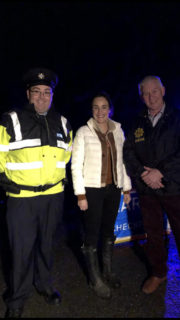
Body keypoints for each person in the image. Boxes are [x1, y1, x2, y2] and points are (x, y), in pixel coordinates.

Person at [0, 67, 72, 318]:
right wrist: (5, 182)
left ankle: (44, 285)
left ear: (52, 95)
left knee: (46, 245)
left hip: (53, 197)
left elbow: (67, 157)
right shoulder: (11, 119)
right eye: (37, 92)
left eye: (47, 92)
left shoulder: (63, 123)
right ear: (28, 93)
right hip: (22, 199)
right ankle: (17, 299)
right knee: (20, 250)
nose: (42, 98)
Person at [71, 91, 132, 299]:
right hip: (92, 190)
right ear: (91, 110)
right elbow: (75, 165)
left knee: (108, 231)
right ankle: (94, 278)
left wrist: (126, 188)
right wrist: (80, 194)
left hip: (113, 189)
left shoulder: (118, 130)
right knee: (91, 233)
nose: (100, 111)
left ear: (110, 109)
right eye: (96, 107)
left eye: (104, 107)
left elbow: (122, 161)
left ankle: (107, 271)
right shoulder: (83, 132)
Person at [123, 75, 180, 294]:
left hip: (174, 187)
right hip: (147, 190)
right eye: (145, 93)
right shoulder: (136, 121)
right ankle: (158, 273)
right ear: (141, 96)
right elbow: (128, 153)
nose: (150, 97)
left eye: (154, 91)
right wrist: (143, 174)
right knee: (153, 235)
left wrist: (160, 172)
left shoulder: (176, 117)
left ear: (163, 90)